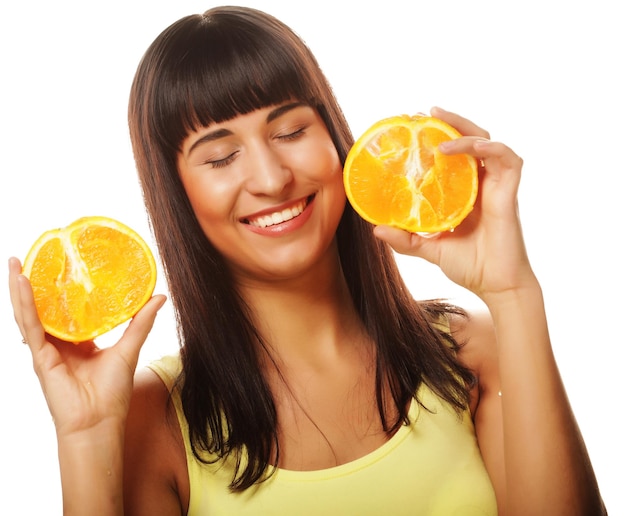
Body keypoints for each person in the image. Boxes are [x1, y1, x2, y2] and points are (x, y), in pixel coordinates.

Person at [8, 5, 606, 515]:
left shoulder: (467, 353)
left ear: (335, 138)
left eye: (292, 131)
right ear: (177, 196)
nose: (271, 178)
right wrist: (85, 440)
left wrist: (513, 294)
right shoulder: (152, 419)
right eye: (219, 158)